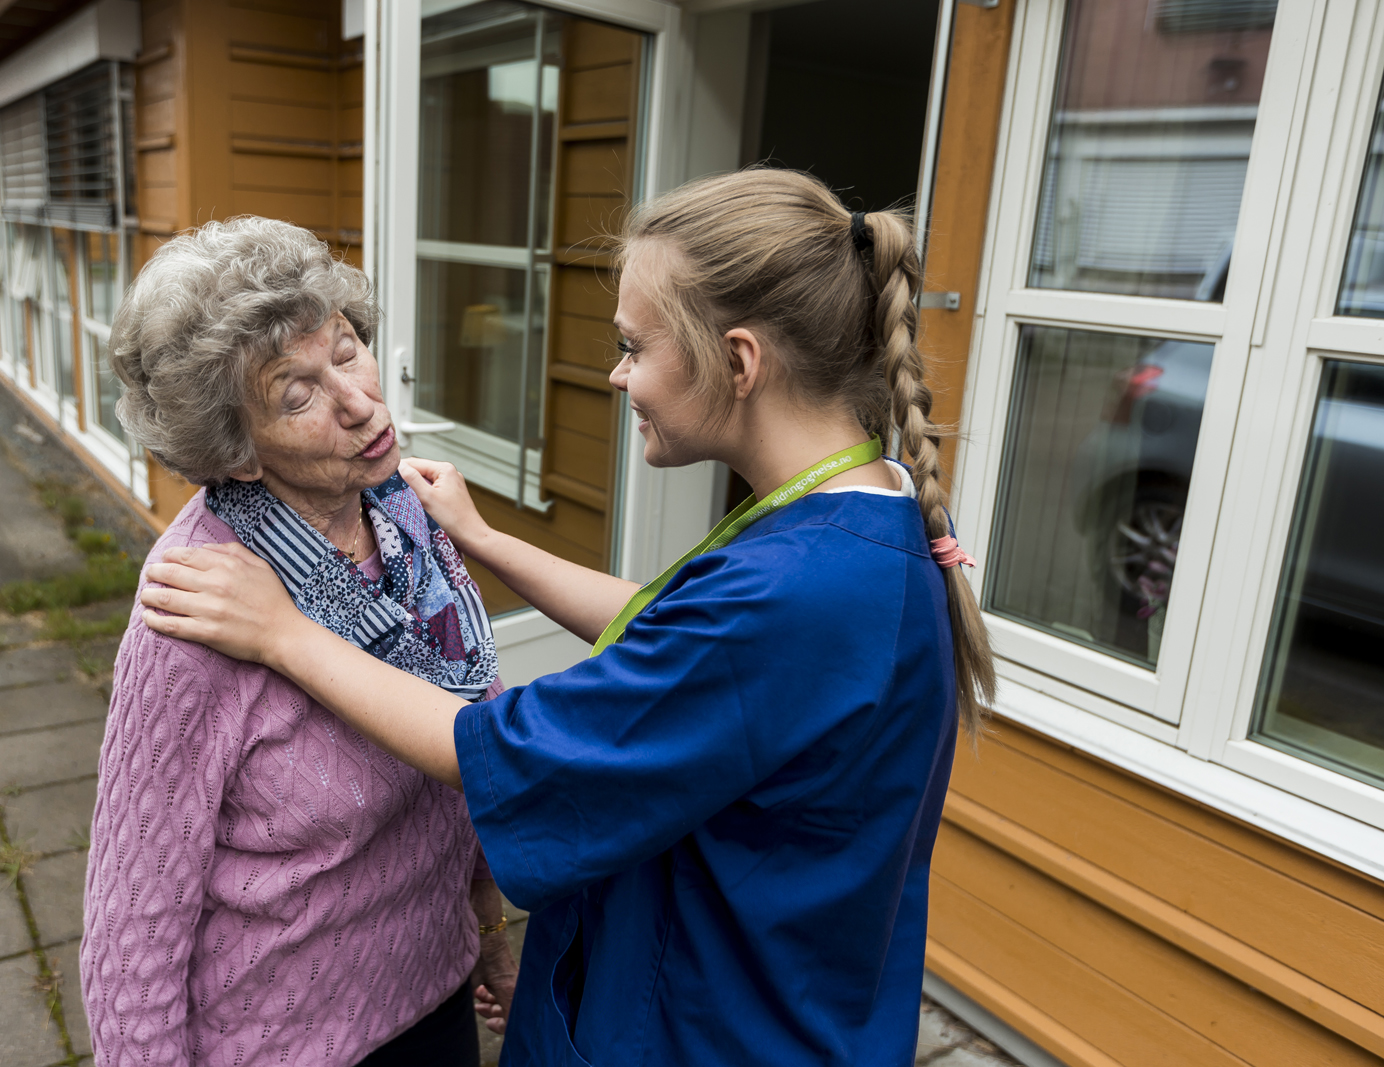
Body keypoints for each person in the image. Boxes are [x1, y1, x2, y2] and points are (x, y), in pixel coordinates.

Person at [137, 169, 996, 1065]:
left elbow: (504, 749)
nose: (618, 375)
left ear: (738, 362)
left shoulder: (793, 595)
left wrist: (284, 632)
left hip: (706, 1026)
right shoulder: (864, 513)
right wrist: (489, 541)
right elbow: (671, 627)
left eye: (634, 345)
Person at [78, 216, 517, 1067]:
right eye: (297, 393)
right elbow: (133, 922)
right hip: (285, 1038)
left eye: (346, 350)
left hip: (433, 992)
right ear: (237, 453)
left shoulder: (404, 516)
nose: (359, 402)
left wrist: (487, 926)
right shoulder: (196, 605)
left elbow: (461, 746)